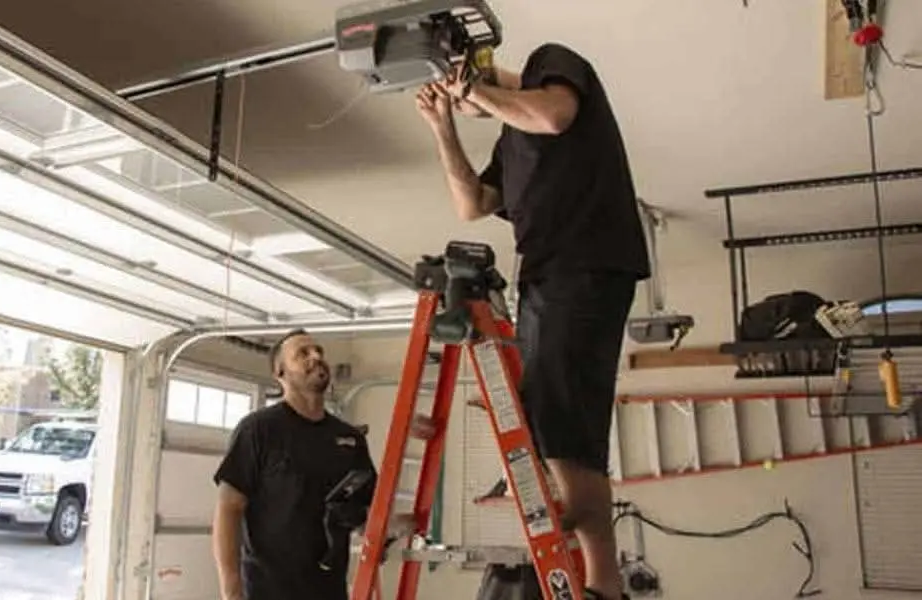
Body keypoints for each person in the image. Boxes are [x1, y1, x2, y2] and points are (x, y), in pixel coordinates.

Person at [415, 43, 651, 600]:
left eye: (461, 85)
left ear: (480, 72)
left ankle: (604, 583)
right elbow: (472, 202)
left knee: (565, 423)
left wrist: (473, 88)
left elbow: (554, 115)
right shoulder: (509, 139)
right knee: (553, 417)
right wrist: (442, 126)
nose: (466, 99)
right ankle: (602, 577)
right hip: (547, 277)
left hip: (584, 264)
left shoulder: (553, 64)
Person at [211, 328, 378, 600]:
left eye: (319, 351)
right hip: (269, 591)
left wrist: (395, 526)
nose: (316, 356)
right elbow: (229, 508)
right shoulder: (258, 430)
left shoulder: (349, 438)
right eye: (303, 353)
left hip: (329, 591)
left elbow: (366, 511)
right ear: (280, 372)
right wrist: (231, 592)